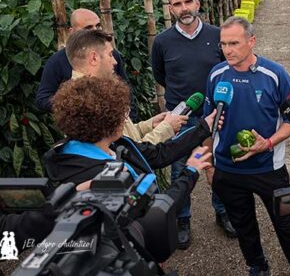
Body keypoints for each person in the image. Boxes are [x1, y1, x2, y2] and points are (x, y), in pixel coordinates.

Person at [43, 76, 214, 263]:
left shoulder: (104, 146)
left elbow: (158, 154)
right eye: (123, 114)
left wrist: (204, 127)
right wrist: (191, 171)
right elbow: (154, 211)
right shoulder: (102, 177)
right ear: (109, 122)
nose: (126, 119)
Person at [204, 17, 290, 276]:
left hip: (269, 169)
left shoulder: (274, 74)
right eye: (223, 44)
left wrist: (267, 143)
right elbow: (207, 124)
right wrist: (209, 166)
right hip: (228, 170)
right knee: (243, 225)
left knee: (287, 226)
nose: (228, 50)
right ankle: (257, 266)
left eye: (234, 43)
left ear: (251, 41)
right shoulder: (216, 74)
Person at [151, 0, 233, 247]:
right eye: (177, 4)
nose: (184, 8)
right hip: (182, 118)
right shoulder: (163, 42)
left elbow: (227, 70)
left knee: (218, 164)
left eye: (188, 2)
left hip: (216, 113)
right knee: (180, 169)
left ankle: (222, 211)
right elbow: (160, 75)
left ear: (197, 4)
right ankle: (183, 218)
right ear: (171, 8)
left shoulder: (216, 35)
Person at [65, 29, 185, 144]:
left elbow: (123, 138)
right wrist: (166, 129)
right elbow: (127, 155)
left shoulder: (86, 93)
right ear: (94, 58)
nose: (115, 61)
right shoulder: (89, 101)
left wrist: (148, 125)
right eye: (110, 54)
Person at [35, 8, 137, 120]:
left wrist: (130, 121)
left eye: (98, 26)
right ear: (72, 31)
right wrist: (76, 104)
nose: (95, 31)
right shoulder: (57, 61)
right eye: (88, 28)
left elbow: (126, 89)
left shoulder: (112, 55)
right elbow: (42, 99)